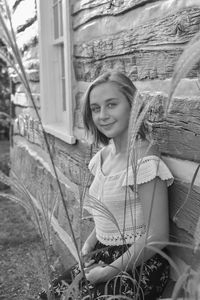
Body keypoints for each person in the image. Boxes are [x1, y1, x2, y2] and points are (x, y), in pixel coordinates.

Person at [39, 71, 174, 300]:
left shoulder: (143, 160)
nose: (102, 115)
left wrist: (107, 273)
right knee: (51, 295)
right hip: (104, 255)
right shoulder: (102, 158)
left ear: (132, 105)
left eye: (111, 105)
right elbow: (111, 216)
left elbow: (157, 235)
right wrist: (91, 242)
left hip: (139, 263)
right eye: (95, 108)